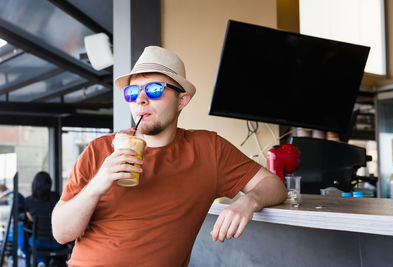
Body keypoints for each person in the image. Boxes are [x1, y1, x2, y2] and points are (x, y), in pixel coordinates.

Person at [52, 46, 287, 266]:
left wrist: (248, 201)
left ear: (182, 100)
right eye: (133, 92)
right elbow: (62, 233)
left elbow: (273, 185)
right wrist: (98, 184)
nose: (141, 99)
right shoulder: (99, 150)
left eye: (155, 90)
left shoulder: (208, 149)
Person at [25, 171, 64, 266]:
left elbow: (31, 219)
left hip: (39, 243)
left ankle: (41, 261)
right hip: (58, 242)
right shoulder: (56, 197)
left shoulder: (28, 201)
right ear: (49, 184)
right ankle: (53, 262)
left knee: (28, 239)